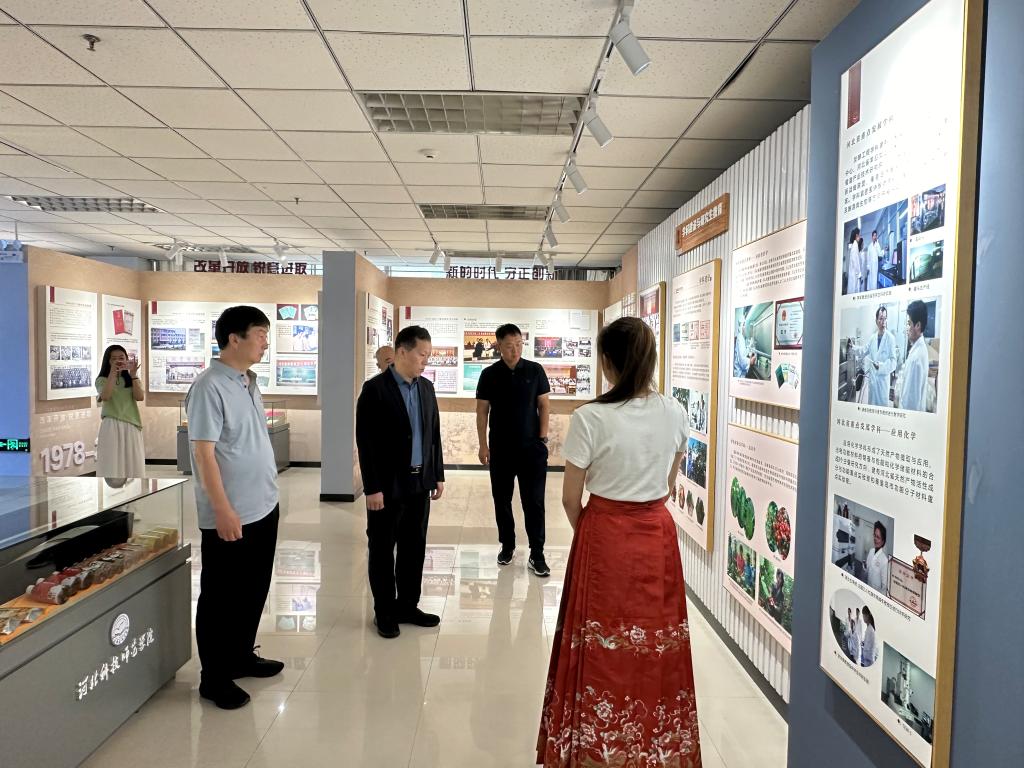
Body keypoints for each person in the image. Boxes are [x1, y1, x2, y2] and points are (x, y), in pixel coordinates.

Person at [537, 317, 700, 768]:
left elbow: (570, 498)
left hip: (605, 534)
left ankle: (596, 747)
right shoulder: (676, 413)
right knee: (657, 640)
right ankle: (655, 745)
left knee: (599, 640)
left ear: (608, 362)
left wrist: (595, 532)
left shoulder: (591, 417)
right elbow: (668, 483)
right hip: (656, 534)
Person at [185, 306, 283, 710]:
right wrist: (222, 509)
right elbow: (204, 454)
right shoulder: (209, 387)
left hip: (263, 505)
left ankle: (241, 655)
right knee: (221, 596)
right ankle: (214, 677)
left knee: (253, 588)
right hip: (232, 512)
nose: (265, 343)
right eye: (260, 334)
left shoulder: (248, 382)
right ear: (233, 338)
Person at [356, 325, 445, 639]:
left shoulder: (426, 388)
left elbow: (433, 434)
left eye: (428, 355)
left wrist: (437, 474)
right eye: (422, 354)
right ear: (402, 352)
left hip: (420, 483)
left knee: (413, 547)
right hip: (387, 486)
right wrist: (372, 487)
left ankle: (407, 605)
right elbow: (366, 442)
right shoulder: (375, 389)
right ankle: (384, 611)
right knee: (382, 548)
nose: (425, 361)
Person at [476, 324, 551, 576]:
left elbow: (544, 405)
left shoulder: (535, 370)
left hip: (531, 449)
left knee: (534, 502)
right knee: (502, 499)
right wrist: (483, 445)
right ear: (499, 346)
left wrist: (542, 438)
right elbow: (482, 412)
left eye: (519, 344)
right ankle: (507, 545)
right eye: (509, 346)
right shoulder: (489, 374)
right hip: (501, 449)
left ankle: (537, 553)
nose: (515, 350)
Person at [95, 345, 145, 478]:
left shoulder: (131, 379)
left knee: (133, 461)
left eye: (121, 358)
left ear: (127, 359)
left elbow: (140, 397)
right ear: (108, 361)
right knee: (111, 461)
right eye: (114, 359)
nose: (118, 361)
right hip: (111, 424)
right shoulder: (101, 380)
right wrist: (113, 373)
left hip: (132, 424)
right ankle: (109, 488)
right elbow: (106, 396)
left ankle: (134, 488)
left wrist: (133, 375)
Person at [863, 306, 898, 407]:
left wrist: (881, 366)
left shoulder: (890, 338)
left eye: (885, 318)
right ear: (876, 321)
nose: (883, 322)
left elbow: (893, 362)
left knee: (881, 408)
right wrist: (853, 347)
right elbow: (864, 350)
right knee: (871, 408)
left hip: (882, 382)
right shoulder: (872, 338)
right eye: (881, 318)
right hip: (873, 381)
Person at [900, 300, 931, 411]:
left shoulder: (916, 359)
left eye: (909, 323)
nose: (907, 328)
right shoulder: (920, 348)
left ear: (917, 325)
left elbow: (910, 404)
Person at [866, 521, 890, 593]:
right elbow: (867, 568)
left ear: (883, 541)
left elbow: (884, 586)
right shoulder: (871, 551)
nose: (875, 539)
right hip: (867, 588)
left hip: (875, 593)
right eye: (875, 535)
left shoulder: (884, 560)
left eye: (878, 537)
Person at [846, 227, 861, 294]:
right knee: (854, 290)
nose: (859, 237)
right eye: (859, 235)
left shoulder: (854, 245)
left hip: (853, 273)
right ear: (856, 235)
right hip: (855, 274)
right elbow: (855, 261)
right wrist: (859, 273)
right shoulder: (855, 245)